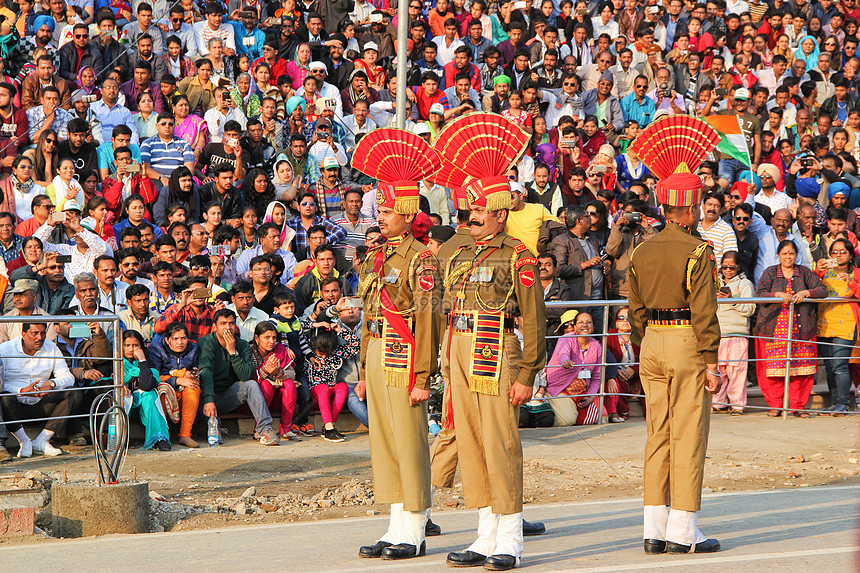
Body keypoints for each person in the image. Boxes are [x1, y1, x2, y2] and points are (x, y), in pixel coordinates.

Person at [437, 174, 545, 570]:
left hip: (497, 347)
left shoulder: (519, 254)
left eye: (481, 209)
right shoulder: (461, 250)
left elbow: (534, 320)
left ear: (501, 214)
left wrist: (528, 373)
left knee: (500, 444)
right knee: (471, 444)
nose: (473, 215)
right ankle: (485, 536)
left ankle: (511, 539)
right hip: (461, 349)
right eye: (470, 207)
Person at [627, 132, 722, 553]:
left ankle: (653, 528)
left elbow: (634, 313)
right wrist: (712, 359)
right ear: (690, 207)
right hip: (686, 342)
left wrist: (643, 343)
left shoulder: (640, 251)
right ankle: (683, 530)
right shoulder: (698, 251)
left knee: (656, 434)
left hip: (651, 343)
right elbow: (704, 312)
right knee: (688, 434)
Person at [754, 239, 827, 417]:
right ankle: (775, 406)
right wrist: (777, 295)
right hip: (774, 329)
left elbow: (822, 290)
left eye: (791, 253)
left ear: (796, 255)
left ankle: (798, 407)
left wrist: (806, 292)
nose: (788, 256)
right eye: (784, 253)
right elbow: (759, 293)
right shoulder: (770, 272)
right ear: (778, 255)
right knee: (773, 371)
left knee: (801, 371)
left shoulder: (804, 273)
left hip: (802, 329)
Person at [198, 308, 279, 446]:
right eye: (223, 323)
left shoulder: (241, 345)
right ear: (215, 326)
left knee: (251, 385)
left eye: (231, 323)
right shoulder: (206, 343)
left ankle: (265, 429)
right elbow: (206, 372)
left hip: (228, 395)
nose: (227, 328)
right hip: (206, 397)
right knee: (197, 394)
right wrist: (209, 399)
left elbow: (246, 375)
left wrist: (233, 352)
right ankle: (214, 425)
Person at [0, 322, 78, 457]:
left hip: (42, 402)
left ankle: (42, 440)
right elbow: (1, 384)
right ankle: (24, 441)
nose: (40, 338)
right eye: (34, 333)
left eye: (43, 333)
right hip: (15, 406)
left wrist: (52, 384)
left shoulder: (51, 347)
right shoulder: (5, 349)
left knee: (73, 392)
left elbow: (68, 377)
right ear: (23, 334)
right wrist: (22, 390)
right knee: (5, 397)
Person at [814, 238, 860, 416]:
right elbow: (811, 285)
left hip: (847, 324)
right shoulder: (825, 272)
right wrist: (818, 270)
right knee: (829, 365)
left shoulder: (856, 272)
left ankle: (842, 404)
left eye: (843, 252)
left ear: (850, 255)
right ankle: (833, 404)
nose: (838, 255)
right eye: (834, 252)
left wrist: (850, 281)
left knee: (840, 365)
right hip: (825, 323)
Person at [545, 310, 605, 425]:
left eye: (589, 322)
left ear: (593, 326)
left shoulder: (596, 346)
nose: (585, 325)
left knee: (594, 418)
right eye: (581, 322)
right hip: (561, 389)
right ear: (575, 326)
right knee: (567, 421)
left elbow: (597, 377)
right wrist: (565, 361)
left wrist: (591, 396)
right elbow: (563, 353)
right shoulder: (567, 338)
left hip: (582, 393)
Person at [714, 251, 756, 415]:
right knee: (719, 370)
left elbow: (750, 309)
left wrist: (732, 299)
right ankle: (718, 403)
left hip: (737, 333)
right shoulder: (714, 283)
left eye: (732, 267)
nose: (728, 270)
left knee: (737, 371)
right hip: (718, 333)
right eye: (725, 267)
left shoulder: (745, 284)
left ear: (738, 267)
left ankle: (737, 405)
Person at [149, 321, 202, 448]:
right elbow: (154, 377)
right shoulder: (156, 348)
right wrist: (177, 380)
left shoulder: (193, 348)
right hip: (165, 385)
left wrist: (193, 375)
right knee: (162, 391)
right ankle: (162, 435)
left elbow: (198, 369)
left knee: (194, 387)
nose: (180, 342)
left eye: (183, 338)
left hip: (184, 389)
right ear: (167, 340)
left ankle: (185, 435)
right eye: (176, 339)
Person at [121, 329, 171, 451]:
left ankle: (159, 438)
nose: (131, 349)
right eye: (127, 345)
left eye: (135, 345)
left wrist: (142, 361)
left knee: (150, 394)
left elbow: (147, 385)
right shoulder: (116, 363)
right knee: (120, 394)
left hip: (142, 409)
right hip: (125, 408)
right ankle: (119, 438)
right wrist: (120, 385)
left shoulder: (148, 362)